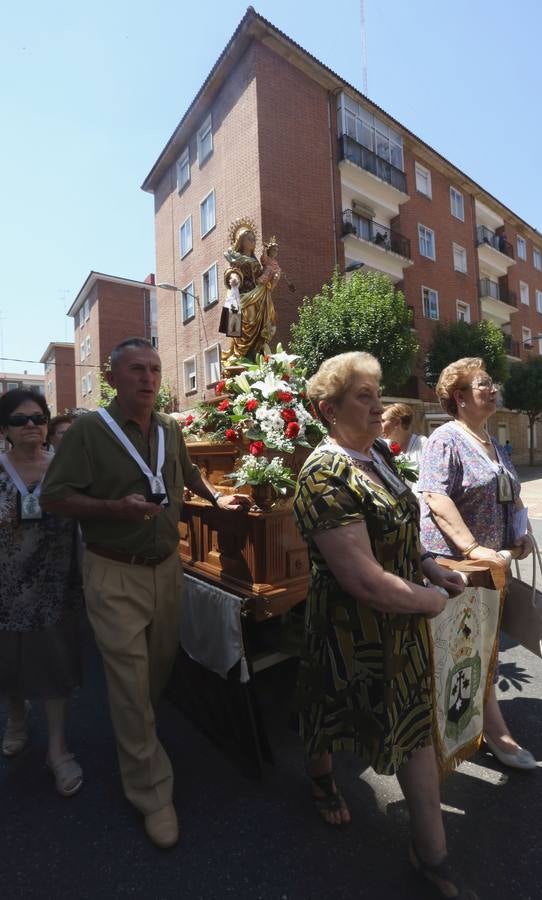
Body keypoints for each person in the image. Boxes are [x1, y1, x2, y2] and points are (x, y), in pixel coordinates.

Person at [41, 338, 250, 849]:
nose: (149, 377)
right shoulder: (90, 430)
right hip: (113, 572)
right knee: (132, 687)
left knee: (154, 676)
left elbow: (187, 474)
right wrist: (114, 509)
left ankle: (138, 740)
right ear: (113, 377)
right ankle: (151, 791)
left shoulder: (169, 428)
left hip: (165, 571)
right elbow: (54, 497)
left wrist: (214, 495)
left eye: (154, 369)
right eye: (137, 368)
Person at [293, 351, 479, 900]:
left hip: (402, 621)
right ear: (329, 409)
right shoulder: (323, 473)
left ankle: (431, 854)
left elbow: (400, 529)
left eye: (378, 393)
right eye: (364, 397)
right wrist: (428, 602)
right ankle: (322, 780)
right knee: (328, 711)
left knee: (414, 731)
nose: (379, 405)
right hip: (349, 630)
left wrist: (428, 567)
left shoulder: (376, 453)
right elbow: (365, 581)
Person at [418, 357, 535, 771]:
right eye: (482, 383)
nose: (492, 388)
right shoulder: (446, 438)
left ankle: (475, 723)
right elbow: (434, 496)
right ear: (459, 396)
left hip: (493, 566)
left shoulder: (491, 441)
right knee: (461, 648)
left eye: (491, 382)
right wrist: (470, 548)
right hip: (455, 568)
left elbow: (511, 494)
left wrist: (522, 533)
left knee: (485, 646)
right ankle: (483, 730)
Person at [0, 390, 83, 796]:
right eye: (20, 419)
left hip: (56, 587)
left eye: (38, 417)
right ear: (5, 430)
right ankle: (16, 718)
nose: (31, 424)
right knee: (8, 663)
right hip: (4, 588)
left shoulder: (66, 470)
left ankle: (57, 750)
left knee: (54, 668)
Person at [222, 217, 278, 362]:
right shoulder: (236, 257)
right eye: (249, 239)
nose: (252, 241)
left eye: (253, 239)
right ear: (241, 240)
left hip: (258, 295)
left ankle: (257, 353)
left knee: (259, 328)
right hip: (243, 296)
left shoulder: (255, 261)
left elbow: (262, 279)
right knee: (247, 322)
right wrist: (234, 279)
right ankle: (242, 355)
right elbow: (232, 271)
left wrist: (273, 279)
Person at [381, 402, 428, 468]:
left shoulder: (422, 443)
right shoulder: (383, 446)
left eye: (383, 421)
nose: (379, 425)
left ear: (397, 422)